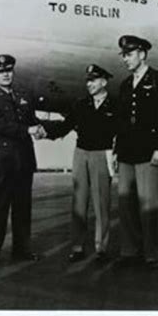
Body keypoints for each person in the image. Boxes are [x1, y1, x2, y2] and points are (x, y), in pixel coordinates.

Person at [41, 64, 116, 262]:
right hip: (81, 154)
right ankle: (77, 246)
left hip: (102, 154)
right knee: (79, 203)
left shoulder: (115, 105)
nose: (89, 84)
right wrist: (44, 131)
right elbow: (65, 126)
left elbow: (123, 132)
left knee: (102, 203)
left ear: (103, 82)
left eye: (93, 80)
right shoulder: (81, 104)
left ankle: (101, 248)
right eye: (87, 80)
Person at [114, 35, 158, 268]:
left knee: (150, 206)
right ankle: (130, 252)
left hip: (149, 153)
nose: (125, 60)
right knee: (126, 204)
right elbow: (121, 122)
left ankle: (152, 255)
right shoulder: (125, 85)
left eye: (129, 55)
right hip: (128, 153)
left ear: (142, 54)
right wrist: (117, 151)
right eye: (124, 55)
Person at [0, 54, 43, 264]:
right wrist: (29, 129)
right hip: (2, 160)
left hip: (23, 159)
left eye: (8, 70)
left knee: (22, 208)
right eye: (0, 72)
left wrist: (44, 129)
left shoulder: (22, 95)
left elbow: (33, 120)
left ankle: (22, 250)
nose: (6, 74)